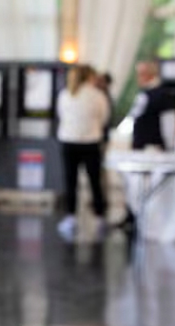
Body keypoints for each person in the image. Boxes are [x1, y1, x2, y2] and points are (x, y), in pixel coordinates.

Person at [114, 60, 175, 233]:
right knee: (134, 183)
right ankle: (133, 215)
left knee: (147, 184)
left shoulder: (161, 95)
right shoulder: (145, 94)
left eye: (141, 73)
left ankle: (144, 217)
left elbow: (170, 123)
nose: (138, 77)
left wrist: (169, 146)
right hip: (141, 147)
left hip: (153, 148)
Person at [56, 65, 110, 240]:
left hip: (68, 141)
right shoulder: (98, 96)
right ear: (89, 77)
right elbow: (104, 117)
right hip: (91, 142)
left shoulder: (65, 95)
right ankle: (100, 217)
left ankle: (71, 216)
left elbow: (61, 115)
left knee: (70, 180)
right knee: (95, 180)